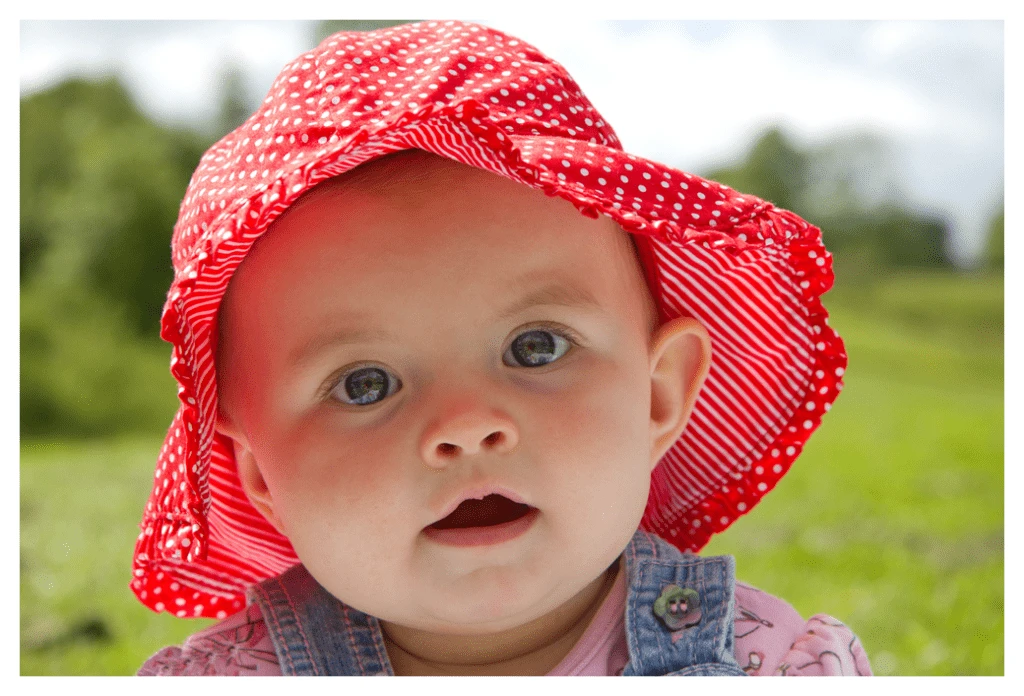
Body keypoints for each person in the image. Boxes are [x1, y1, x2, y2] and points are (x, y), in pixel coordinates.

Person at [134, 20, 871, 676]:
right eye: (365, 383)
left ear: (657, 395)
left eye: (537, 347)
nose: (466, 425)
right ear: (262, 470)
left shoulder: (771, 666)